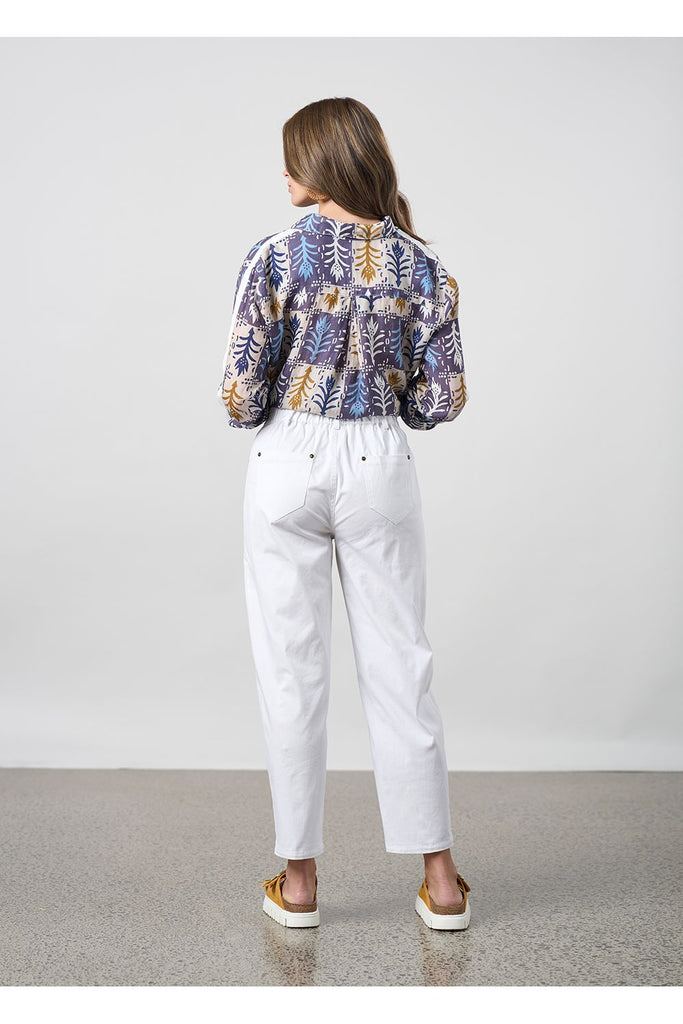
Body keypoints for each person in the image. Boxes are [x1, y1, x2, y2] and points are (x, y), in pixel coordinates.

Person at [217, 97, 471, 931]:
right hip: (378, 463)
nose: (282, 172)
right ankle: (439, 884)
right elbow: (442, 401)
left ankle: (298, 885)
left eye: (292, 156)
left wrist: (285, 410)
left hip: (287, 461)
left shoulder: (273, 256)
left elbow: (239, 394)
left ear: (319, 166)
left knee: (290, 671)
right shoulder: (424, 268)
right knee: (402, 665)